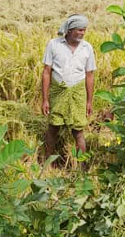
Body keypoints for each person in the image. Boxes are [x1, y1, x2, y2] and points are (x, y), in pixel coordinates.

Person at [42, 14, 96, 166]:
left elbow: (89, 74)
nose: (82, 33)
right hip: (58, 91)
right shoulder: (54, 44)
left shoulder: (87, 48)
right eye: (79, 30)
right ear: (70, 30)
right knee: (53, 128)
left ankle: (82, 167)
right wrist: (45, 99)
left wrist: (89, 101)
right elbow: (47, 71)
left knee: (78, 131)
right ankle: (47, 164)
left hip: (78, 93)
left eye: (84, 30)